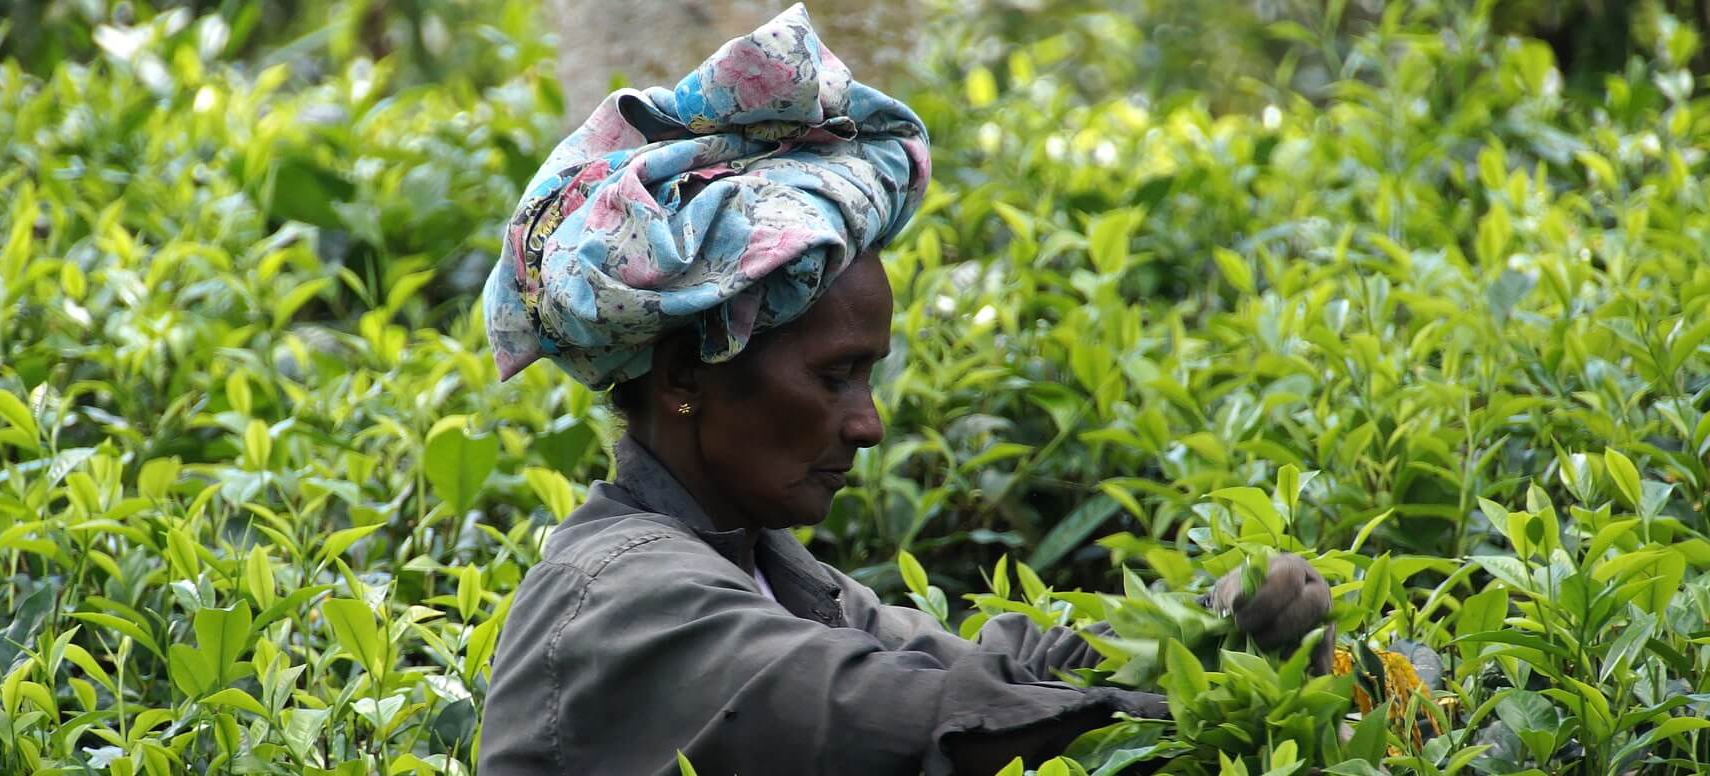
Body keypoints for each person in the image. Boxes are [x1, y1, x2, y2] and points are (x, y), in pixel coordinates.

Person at [475, 6, 1333, 775]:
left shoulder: (767, 570)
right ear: (684, 376)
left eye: (868, 376)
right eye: (833, 376)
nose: (868, 424)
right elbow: (905, 713)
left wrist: (1208, 624)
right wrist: (1187, 713)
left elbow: (976, 662)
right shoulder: (620, 598)